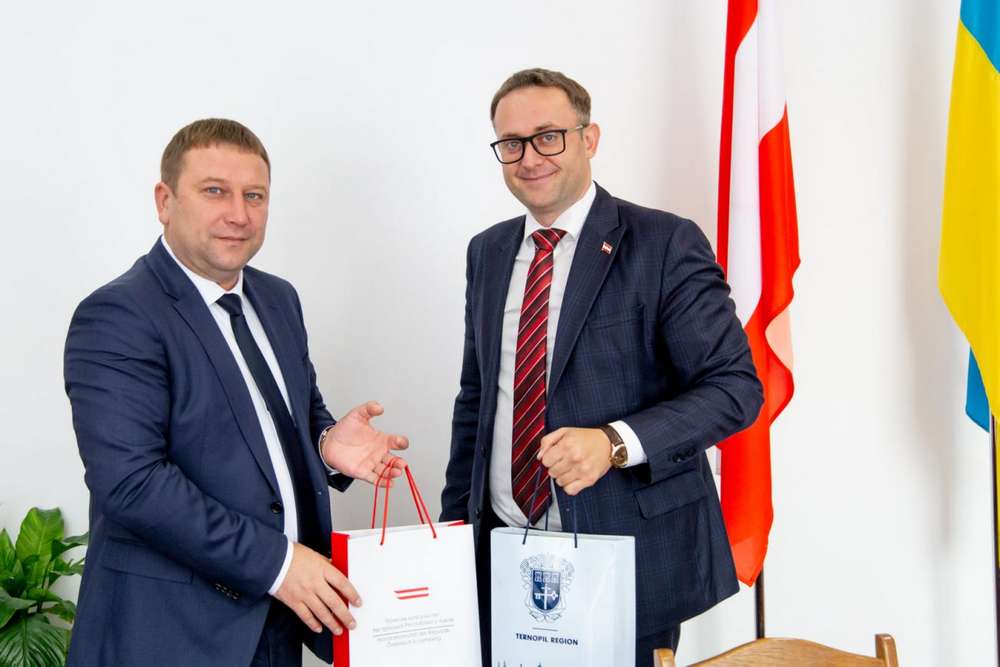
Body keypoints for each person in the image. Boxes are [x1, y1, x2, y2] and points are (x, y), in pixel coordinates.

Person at [440, 68, 764, 666]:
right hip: (504, 553)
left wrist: (614, 442)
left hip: (626, 553)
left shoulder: (663, 242)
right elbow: (477, 399)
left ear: (589, 139)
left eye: (548, 136)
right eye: (511, 143)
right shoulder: (487, 251)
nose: (529, 158)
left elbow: (734, 388)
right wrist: (454, 534)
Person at [64, 118, 408, 666]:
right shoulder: (118, 315)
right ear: (165, 201)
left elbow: (284, 420)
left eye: (254, 195)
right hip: (170, 634)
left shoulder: (278, 299)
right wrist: (279, 564)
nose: (239, 214)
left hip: (278, 623)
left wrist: (325, 446)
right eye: (214, 191)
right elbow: (131, 482)